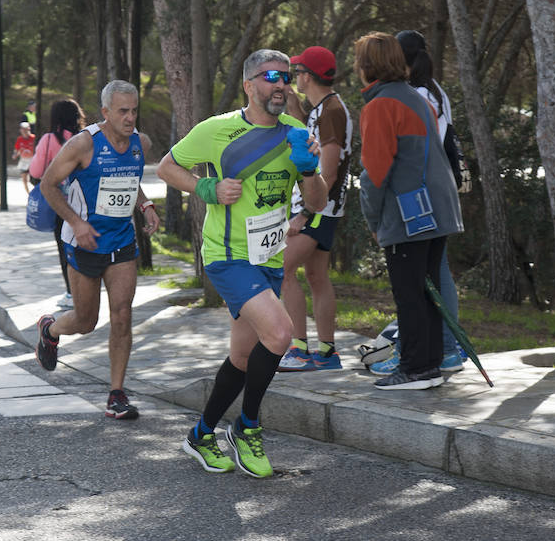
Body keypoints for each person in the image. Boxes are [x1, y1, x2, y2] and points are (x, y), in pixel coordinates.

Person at [158, 49, 328, 478]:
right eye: (270, 76)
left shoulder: (296, 132)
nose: (281, 84)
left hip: (267, 258)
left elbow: (320, 203)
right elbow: (167, 167)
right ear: (249, 85)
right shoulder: (217, 130)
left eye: (286, 77)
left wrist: (310, 170)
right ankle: (247, 427)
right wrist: (206, 187)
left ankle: (200, 434)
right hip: (226, 256)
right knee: (282, 333)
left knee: (241, 356)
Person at [34, 81, 161, 420]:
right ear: (105, 112)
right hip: (85, 243)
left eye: (134, 111)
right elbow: (47, 184)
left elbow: (127, 180)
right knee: (86, 321)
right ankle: (50, 329)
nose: (130, 118)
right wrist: (76, 223)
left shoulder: (139, 145)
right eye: (123, 111)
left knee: (122, 315)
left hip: (121, 242)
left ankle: (116, 393)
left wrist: (145, 203)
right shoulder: (84, 144)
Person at [354, 32, 463, 390]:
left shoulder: (381, 105)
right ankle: (427, 366)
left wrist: (373, 220)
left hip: (410, 213)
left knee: (410, 293)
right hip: (438, 209)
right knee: (426, 290)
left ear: (367, 66)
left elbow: (375, 172)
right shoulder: (418, 98)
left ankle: (415, 368)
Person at [277, 46, 353, 372]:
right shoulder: (321, 108)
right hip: (323, 208)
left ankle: (299, 350)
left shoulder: (331, 110)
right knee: (316, 275)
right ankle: (327, 352)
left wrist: (305, 213)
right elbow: (308, 136)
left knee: (282, 270)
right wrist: (295, 104)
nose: (295, 78)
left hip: (319, 208)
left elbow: (330, 169)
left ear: (308, 76)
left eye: (297, 73)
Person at [396, 29, 467, 373]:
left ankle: (449, 348)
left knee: (433, 271)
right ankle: (447, 346)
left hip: (425, 189)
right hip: (439, 188)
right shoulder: (436, 91)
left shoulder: (418, 94)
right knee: (438, 269)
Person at [29, 99, 87, 307]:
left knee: (66, 248)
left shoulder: (48, 140)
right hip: (87, 204)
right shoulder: (87, 138)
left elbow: (35, 172)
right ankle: (89, 291)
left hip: (60, 205)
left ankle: (72, 294)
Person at [12, 122, 35, 193]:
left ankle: (35, 192)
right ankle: (29, 194)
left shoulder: (34, 138)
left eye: (26, 129)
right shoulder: (19, 139)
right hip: (24, 161)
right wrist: (15, 155)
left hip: (33, 161)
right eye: (23, 129)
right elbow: (17, 150)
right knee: (24, 179)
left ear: (29, 129)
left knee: (33, 179)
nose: (25, 131)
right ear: (21, 130)